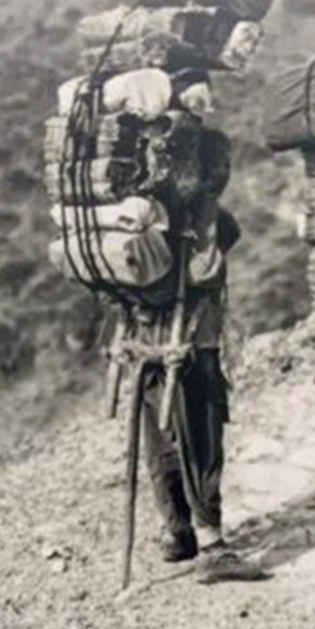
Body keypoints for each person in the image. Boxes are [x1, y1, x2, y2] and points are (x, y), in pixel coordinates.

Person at [114, 193, 264, 584]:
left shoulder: (126, 217)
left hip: (144, 342)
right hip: (191, 344)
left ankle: (177, 531)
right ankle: (212, 547)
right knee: (201, 439)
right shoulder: (196, 217)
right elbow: (223, 242)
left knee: (160, 440)